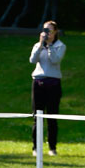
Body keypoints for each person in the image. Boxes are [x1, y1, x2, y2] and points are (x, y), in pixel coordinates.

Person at [30, 20, 66, 156]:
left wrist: (49, 46)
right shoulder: (37, 45)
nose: (47, 34)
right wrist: (41, 45)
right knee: (37, 117)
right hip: (38, 83)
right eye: (45, 30)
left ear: (55, 32)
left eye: (50, 31)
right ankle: (36, 147)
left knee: (52, 117)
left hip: (53, 84)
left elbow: (55, 60)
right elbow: (32, 60)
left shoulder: (60, 46)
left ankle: (52, 147)